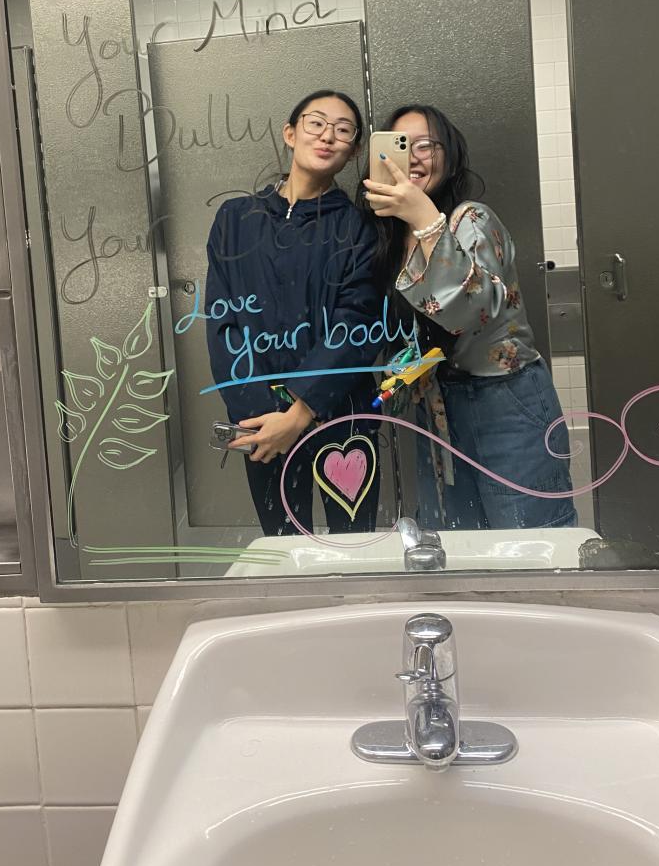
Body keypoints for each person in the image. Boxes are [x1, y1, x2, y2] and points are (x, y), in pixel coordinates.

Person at [363, 103, 576, 531]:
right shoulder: (390, 236)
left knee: (531, 536)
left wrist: (425, 220)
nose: (413, 157)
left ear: (450, 155)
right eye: (402, 145)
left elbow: (470, 311)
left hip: (506, 399)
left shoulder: (471, 218)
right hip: (438, 407)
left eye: (426, 145)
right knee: (457, 539)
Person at [205, 90, 383, 536]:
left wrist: (300, 413)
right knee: (283, 544)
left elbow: (357, 323)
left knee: (353, 543)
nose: (327, 136)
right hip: (261, 419)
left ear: (354, 150)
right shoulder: (235, 220)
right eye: (315, 123)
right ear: (290, 133)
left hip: (342, 413)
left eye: (343, 130)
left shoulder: (361, 228)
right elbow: (224, 323)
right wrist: (260, 414)